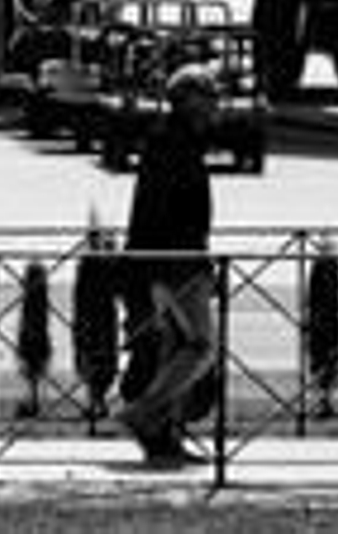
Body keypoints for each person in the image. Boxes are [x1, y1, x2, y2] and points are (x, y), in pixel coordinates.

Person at [117, 62, 218, 467]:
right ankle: (145, 413)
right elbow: (166, 215)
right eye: (208, 96)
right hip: (176, 261)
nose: (215, 104)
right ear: (189, 101)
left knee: (177, 347)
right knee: (200, 346)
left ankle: (164, 436)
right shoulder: (172, 143)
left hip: (170, 259)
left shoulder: (177, 140)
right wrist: (193, 261)